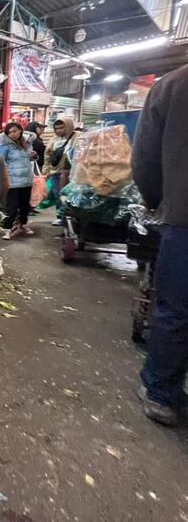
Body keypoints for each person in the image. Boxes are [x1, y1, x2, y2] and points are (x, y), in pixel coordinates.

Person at [132, 64, 188, 427]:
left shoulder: (174, 84)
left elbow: (146, 157)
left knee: (176, 308)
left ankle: (162, 395)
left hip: (183, 216)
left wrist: (154, 199)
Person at [0, 123, 36, 239]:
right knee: (12, 207)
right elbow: (0, 162)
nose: (12, 134)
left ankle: (23, 224)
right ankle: (7, 229)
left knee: (25, 206)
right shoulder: (4, 146)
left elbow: (28, 159)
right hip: (12, 181)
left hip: (26, 180)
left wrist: (33, 156)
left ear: (20, 130)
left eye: (14, 131)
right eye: (9, 132)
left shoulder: (26, 144)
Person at [44, 117, 76, 226]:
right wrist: (46, 170)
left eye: (62, 127)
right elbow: (47, 156)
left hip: (72, 174)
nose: (59, 130)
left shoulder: (77, 138)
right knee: (58, 195)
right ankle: (60, 216)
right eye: (56, 128)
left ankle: (71, 218)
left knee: (71, 196)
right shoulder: (53, 140)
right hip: (56, 172)